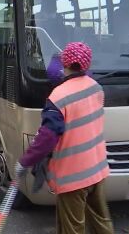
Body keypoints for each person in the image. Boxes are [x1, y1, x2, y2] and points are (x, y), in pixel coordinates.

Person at [15, 42, 114, 234]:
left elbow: (47, 138)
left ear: (64, 64)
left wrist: (25, 161)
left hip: (73, 176)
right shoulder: (96, 88)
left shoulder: (58, 96)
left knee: (72, 228)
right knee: (101, 220)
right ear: (87, 64)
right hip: (97, 169)